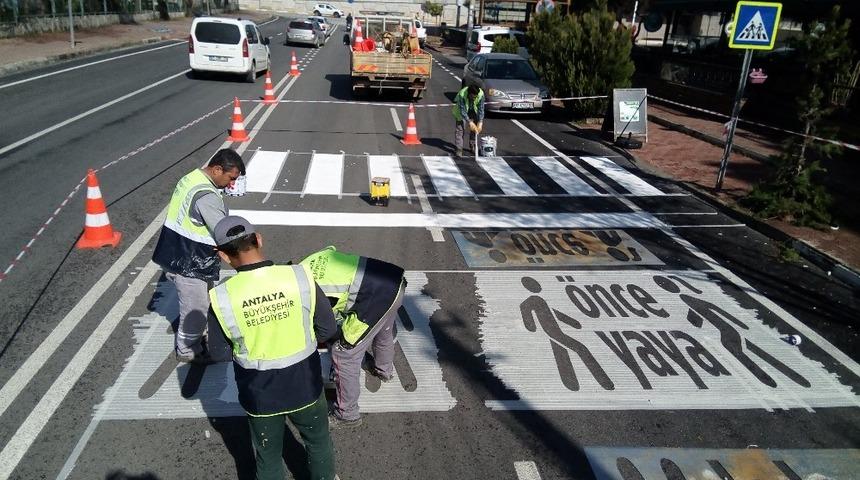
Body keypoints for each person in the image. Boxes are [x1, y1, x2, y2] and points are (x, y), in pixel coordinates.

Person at [208, 216, 339, 480]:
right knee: (318, 444)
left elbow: (219, 353)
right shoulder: (299, 276)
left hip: (259, 393)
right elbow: (328, 329)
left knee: (267, 455)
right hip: (306, 385)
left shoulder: (221, 298)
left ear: (223, 255)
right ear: (258, 239)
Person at [151, 148, 245, 363]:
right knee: (197, 307)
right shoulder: (207, 197)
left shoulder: (191, 178)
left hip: (175, 251)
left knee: (197, 303)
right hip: (191, 260)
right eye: (230, 178)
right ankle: (188, 349)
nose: (231, 184)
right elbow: (223, 231)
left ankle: (191, 338)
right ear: (217, 169)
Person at [300, 246, 406, 428]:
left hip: (374, 297)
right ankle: (384, 370)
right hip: (394, 282)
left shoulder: (305, 293)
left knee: (344, 354)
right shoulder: (307, 262)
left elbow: (327, 327)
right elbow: (331, 249)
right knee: (383, 331)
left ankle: (347, 414)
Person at [452, 84, 485, 156]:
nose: (474, 98)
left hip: (474, 111)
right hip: (461, 112)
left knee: (474, 129)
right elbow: (462, 110)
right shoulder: (462, 94)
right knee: (460, 130)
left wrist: (480, 122)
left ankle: (473, 145)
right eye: (473, 97)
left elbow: (481, 109)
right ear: (469, 93)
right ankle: (459, 149)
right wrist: (469, 121)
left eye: (475, 97)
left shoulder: (481, 94)